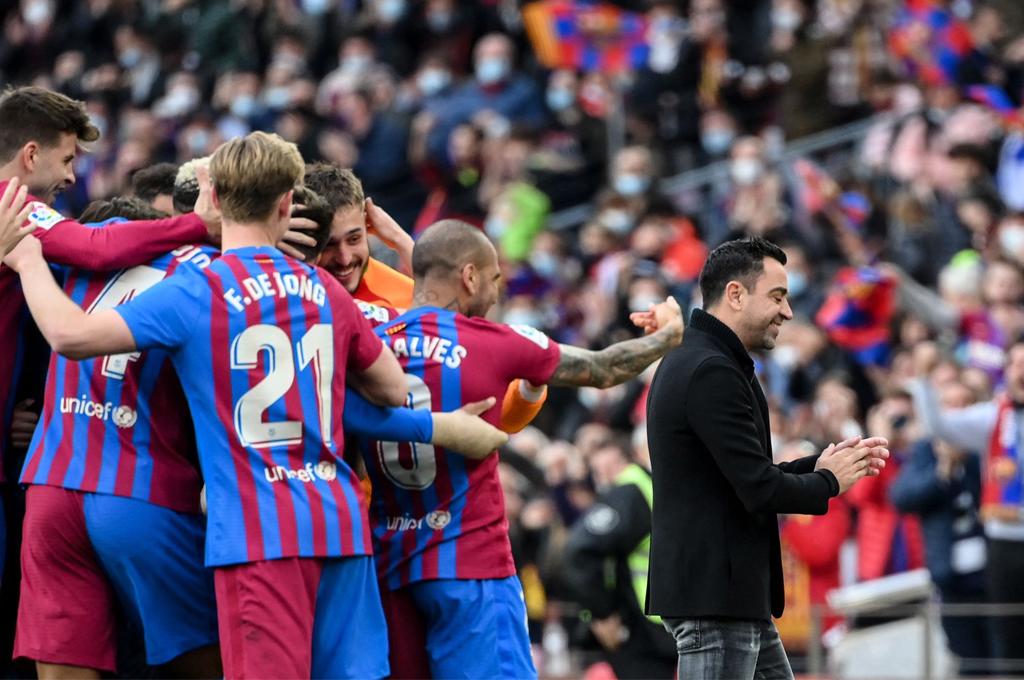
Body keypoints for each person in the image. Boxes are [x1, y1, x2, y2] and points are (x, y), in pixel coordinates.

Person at [4, 131, 408, 679]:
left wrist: (26, 260)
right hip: (323, 515)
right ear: (287, 203)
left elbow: (70, 332)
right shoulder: (316, 287)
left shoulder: (172, 274)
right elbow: (393, 389)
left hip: (202, 513)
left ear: (211, 198)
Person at [357, 219, 685, 679]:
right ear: (469, 277)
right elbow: (604, 369)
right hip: (472, 569)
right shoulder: (491, 342)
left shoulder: (370, 345)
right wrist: (666, 337)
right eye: (493, 280)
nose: (494, 295)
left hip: (390, 567)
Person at [645, 237, 889, 680]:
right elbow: (757, 488)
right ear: (736, 294)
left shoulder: (708, 360)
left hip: (731, 598)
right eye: (777, 296)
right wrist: (829, 482)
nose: (788, 312)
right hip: (716, 601)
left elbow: (740, 476)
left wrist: (818, 465)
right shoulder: (710, 369)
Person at [305, 162, 546, 433]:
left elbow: (502, 415)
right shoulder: (284, 296)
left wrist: (402, 242)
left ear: (368, 224)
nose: (345, 259)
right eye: (329, 245)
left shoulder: (407, 296)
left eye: (354, 239)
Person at [906, 339, 1024, 673]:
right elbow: (940, 427)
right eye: (1015, 363)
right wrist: (925, 381)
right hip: (1003, 541)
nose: (1021, 370)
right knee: (1008, 636)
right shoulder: (994, 417)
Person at [563, 441, 677, 679]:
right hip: (670, 615)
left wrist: (603, 614)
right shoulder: (653, 485)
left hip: (640, 626)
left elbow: (580, 549)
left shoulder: (627, 491)